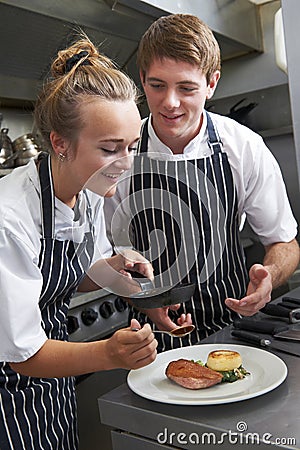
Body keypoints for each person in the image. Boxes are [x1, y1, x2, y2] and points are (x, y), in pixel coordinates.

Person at [104, 13, 300, 352]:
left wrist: (268, 279)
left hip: (236, 331)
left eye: (187, 88)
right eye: (157, 85)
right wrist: (139, 299)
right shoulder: (118, 154)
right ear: (141, 78)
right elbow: (102, 256)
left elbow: (284, 243)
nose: (170, 102)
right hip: (152, 340)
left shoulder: (242, 146)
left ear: (211, 84)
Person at [0, 36, 158, 450]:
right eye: (109, 149)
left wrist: (116, 270)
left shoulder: (87, 193)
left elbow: (76, 273)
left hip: (52, 380)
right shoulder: (9, 218)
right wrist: (110, 353)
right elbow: (22, 354)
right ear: (60, 143)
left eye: (131, 147)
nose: (124, 164)